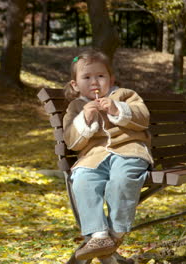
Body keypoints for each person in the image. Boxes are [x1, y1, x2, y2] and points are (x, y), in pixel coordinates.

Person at [62, 48, 153, 260]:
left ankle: (116, 231)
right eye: (87, 77)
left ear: (111, 79)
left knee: (121, 179)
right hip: (93, 157)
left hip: (129, 150)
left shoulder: (125, 95)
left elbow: (143, 118)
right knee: (82, 179)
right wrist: (85, 119)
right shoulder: (75, 107)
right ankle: (99, 234)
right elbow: (72, 141)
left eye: (100, 76)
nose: (94, 82)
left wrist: (117, 109)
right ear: (75, 84)